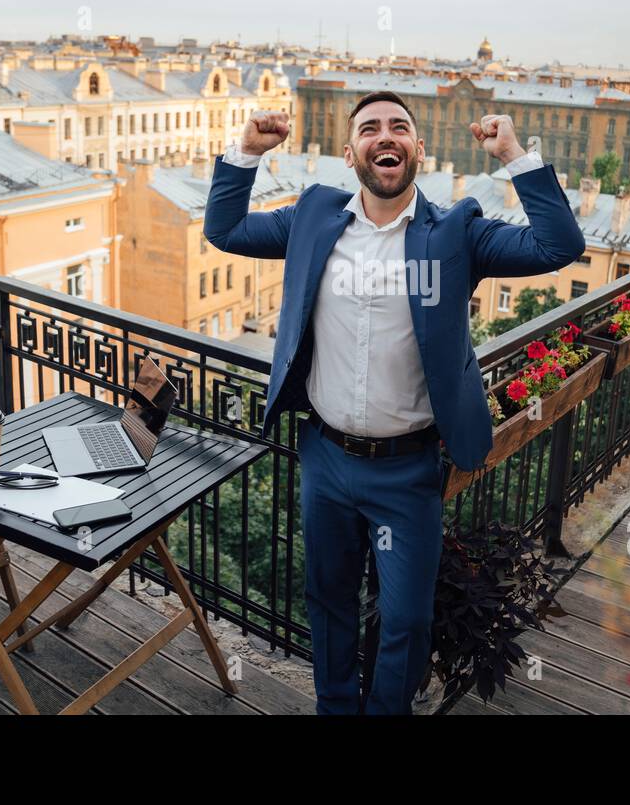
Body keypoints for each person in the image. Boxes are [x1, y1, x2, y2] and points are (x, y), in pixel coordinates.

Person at [204, 91, 583, 713]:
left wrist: (513, 154)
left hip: (408, 469)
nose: (387, 136)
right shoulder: (313, 215)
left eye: (400, 127)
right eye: (371, 128)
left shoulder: (457, 230)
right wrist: (247, 150)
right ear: (350, 151)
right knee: (328, 603)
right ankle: (334, 707)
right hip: (326, 459)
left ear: (418, 150)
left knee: (405, 618)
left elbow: (558, 247)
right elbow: (224, 230)